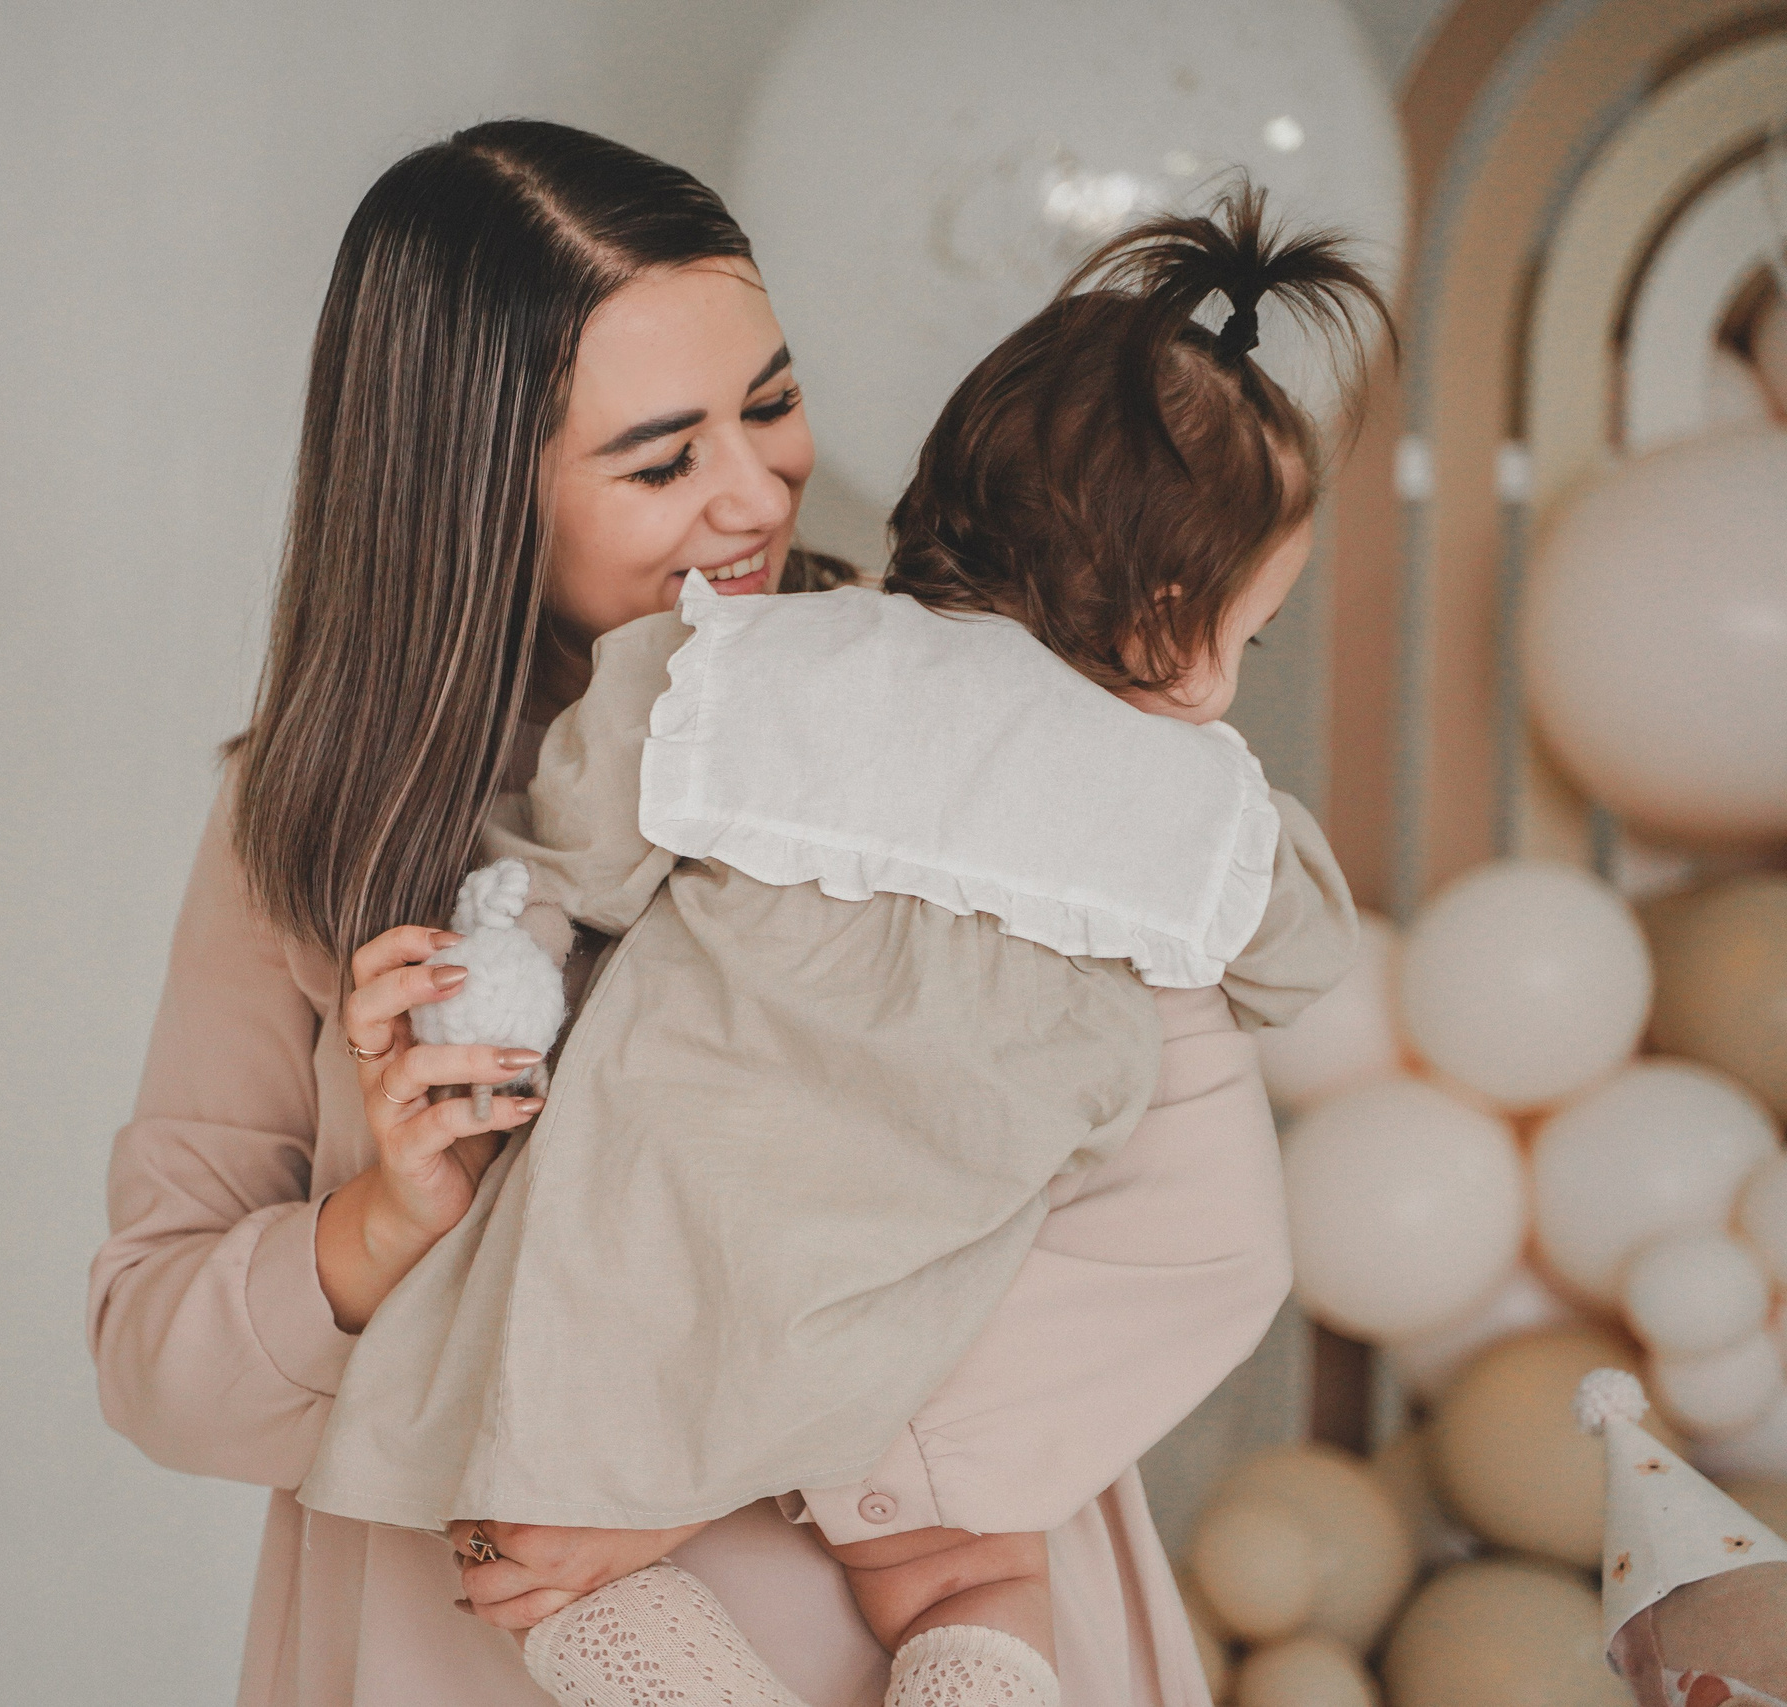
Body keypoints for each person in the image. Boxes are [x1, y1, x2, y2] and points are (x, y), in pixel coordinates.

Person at [89, 121, 1304, 1707]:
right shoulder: (307, 829)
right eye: (662, 458)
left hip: (929, 1625)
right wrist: (381, 1232)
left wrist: (710, 1458)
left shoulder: (949, 719)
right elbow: (154, 1364)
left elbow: (1191, 1236)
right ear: (473, 495)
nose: (753, 493)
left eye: (776, 403)